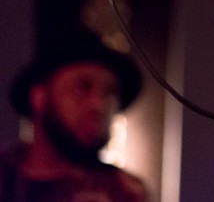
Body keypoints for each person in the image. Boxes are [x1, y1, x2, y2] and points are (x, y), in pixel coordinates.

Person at [0, 27, 149, 201]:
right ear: (39, 97)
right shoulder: (5, 174)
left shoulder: (125, 192)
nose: (98, 105)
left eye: (110, 92)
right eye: (83, 87)